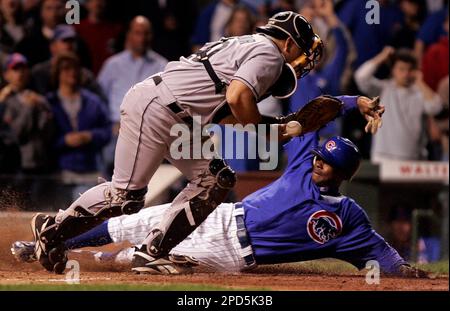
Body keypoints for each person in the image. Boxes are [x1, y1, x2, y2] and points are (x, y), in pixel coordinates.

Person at [30, 12, 329, 274]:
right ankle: (51, 229)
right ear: (288, 43)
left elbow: (228, 114)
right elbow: (238, 98)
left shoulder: (248, 45)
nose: (301, 61)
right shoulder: (270, 54)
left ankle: (151, 252)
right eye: (301, 51)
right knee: (125, 197)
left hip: (174, 112)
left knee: (215, 179)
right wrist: (273, 129)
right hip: (158, 108)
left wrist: (283, 129)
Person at [15, 98, 430, 278]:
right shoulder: (304, 163)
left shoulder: (349, 217)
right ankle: (44, 246)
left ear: (343, 173)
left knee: (132, 260)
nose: (320, 162)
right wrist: (355, 101)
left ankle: (97, 259)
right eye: (321, 156)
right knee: (134, 222)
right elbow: (315, 113)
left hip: (234, 254)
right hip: (225, 216)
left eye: (329, 163)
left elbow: (386, 264)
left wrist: (412, 274)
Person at [97, 16, 168, 176]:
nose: (142, 38)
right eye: (137, 33)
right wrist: (110, 122)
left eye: (146, 33)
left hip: (150, 129)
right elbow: (100, 98)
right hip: (117, 129)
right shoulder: (113, 65)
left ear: (151, 36)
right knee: (108, 169)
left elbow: (167, 102)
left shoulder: (162, 65)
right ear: (129, 35)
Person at [355, 47, 442, 162]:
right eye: (401, 69)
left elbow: (435, 107)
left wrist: (420, 82)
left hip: (414, 158)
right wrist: (382, 56)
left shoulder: (419, 92)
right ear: (393, 70)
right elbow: (361, 77)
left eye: (410, 69)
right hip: (384, 156)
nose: (406, 74)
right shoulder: (383, 89)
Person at [46, 52, 110, 185]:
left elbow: (107, 131)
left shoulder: (93, 101)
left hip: (91, 169)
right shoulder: (49, 103)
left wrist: (90, 136)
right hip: (60, 172)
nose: (72, 72)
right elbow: (43, 139)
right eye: (66, 68)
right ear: (57, 73)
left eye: (75, 68)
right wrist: (64, 141)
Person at [0, 53, 53, 173]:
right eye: (15, 69)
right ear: (6, 74)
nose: (20, 73)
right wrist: (28, 108)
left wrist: (41, 108)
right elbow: (14, 134)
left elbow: (48, 132)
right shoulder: (4, 102)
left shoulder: (38, 99)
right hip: (14, 165)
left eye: (23, 68)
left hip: (40, 162)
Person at [30, 24, 104, 99]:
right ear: (53, 46)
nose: (69, 45)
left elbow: (100, 102)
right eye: (65, 41)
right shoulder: (39, 73)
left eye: (72, 41)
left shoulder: (85, 75)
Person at [74, 0, 122, 75]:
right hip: (85, 77)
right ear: (87, 4)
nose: (97, 3)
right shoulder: (77, 29)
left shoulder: (115, 29)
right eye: (93, 0)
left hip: (110, 77)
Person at [16, 0, 65, 66]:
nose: (54, 13)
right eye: (49, 8)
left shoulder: (75, 41)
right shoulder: (27, 44)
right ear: (41, 12)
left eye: (58, 8)